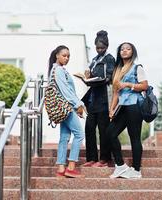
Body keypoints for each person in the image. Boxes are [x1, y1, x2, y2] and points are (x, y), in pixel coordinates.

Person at [107, 42, 148, 179]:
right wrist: (111, 109)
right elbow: (116, 93)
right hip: (123, 107)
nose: (124, 51)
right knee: (110, 133)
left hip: (135, 105)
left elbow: (144, 86)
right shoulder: (118, 70)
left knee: (134, 137)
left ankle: (136, 170)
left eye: (128, 49)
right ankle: (120, 166)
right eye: (122, 49)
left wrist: (128, 84)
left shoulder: (137, 68)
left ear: (133, 52)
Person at [47, 45, 85, 178]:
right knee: (79, 134)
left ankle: (61, 168)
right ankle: (71, 167)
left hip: (63, 108)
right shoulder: (58, 70)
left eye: (68, 56)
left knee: (64, 136)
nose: (67, 58)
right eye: (64, 55)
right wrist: (78, 104)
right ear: (57, 55)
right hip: (66, 107)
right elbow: (66, 91)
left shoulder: (57, 70)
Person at [81, 30, 116, 167]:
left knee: (103, 129)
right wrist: (87, 76)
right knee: (89, 128)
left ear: (107, 46)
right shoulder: (95, 60)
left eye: (102, 48)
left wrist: (100, 79)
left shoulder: (109, 58)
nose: (100, 50)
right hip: (93, 99)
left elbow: (109, 77)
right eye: (97, 48)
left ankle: (104, 159)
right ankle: (91, 158)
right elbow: (91, 76)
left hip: (104, 99)